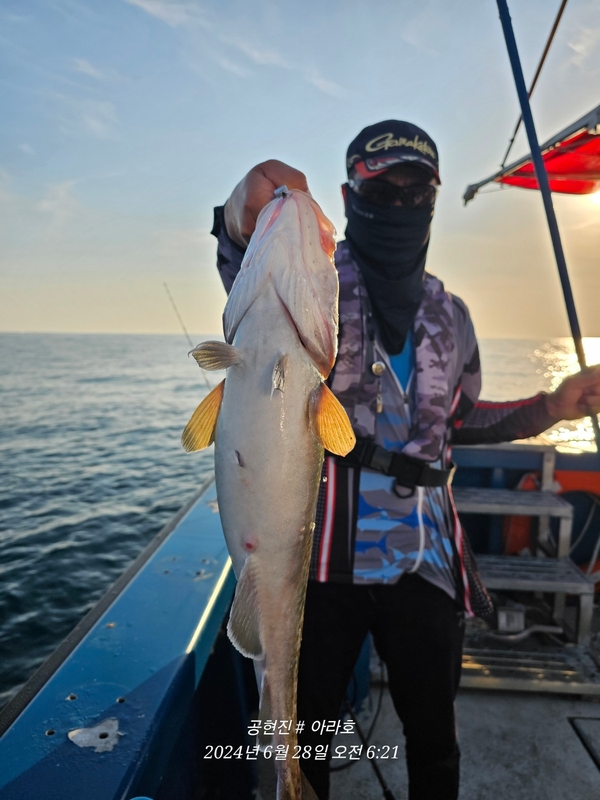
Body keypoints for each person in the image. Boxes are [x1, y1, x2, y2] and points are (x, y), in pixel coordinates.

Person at [211, 120, 600, 800]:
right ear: (348, 192)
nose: (398, 202)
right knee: (310, 744)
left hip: (425, 561)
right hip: (320, 565)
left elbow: (460, 422)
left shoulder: (451, 313)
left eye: (414, 189)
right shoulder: (311, 277)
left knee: (435, 741)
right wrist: (241, 213)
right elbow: (250, 273)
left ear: (434, 197)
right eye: (380, 187)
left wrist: (554, 404)